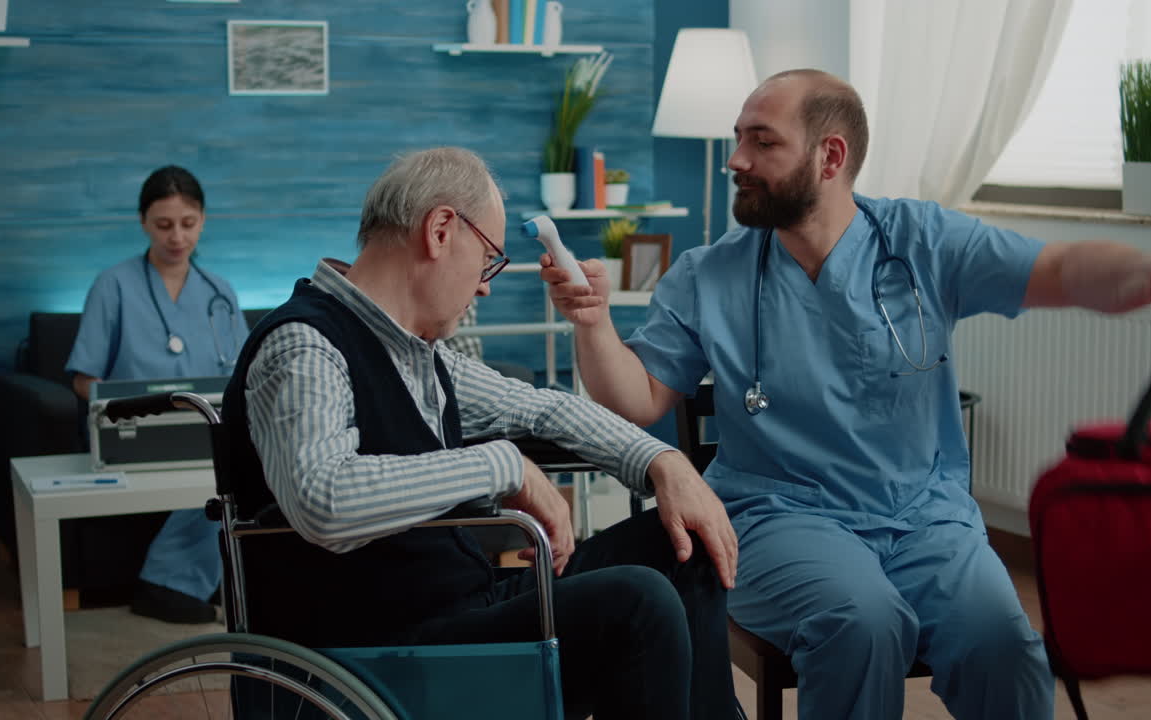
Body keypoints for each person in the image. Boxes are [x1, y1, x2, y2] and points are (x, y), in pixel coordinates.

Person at [541, 68, 1151, 720]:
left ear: (830, 157)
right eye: (739, 139)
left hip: (928, 519)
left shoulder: (923, 244)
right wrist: (592, 325)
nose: (737, 159)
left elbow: (1058, 270)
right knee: (862, 625)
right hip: (780, 518)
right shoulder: (711, 276)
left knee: (1004, 646)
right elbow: (638, 400)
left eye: (762, 142)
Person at [219, 147, 745, 720]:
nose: (485, 287)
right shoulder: (305, 346)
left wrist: (664, 463)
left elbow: (541, 410)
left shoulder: (422, 354)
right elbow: (323, 498)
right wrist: (505, 466)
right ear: (441, 230)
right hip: (381, 651)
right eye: (489, 259)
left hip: (461, 614)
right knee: (638, 606)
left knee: (682, 541)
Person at [67, 165, 251, 623]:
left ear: (203, 220)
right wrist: (120, 406)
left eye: (188, 224)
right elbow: (82, 378)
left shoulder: (219, 292)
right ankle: (166, 582)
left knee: (247, 466)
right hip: (137, 430)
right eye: (164, 225)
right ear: (143, 222)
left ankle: (215, 584)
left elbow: (245, 372)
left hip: (205, 427)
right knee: (220, 476)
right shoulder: (113, 286)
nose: (177, 237)